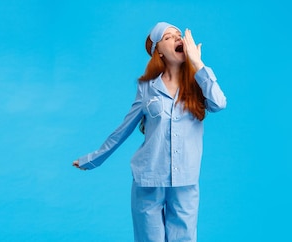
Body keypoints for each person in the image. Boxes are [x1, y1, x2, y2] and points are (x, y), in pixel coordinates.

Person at [72, 22, 226, 242]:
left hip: (185, 180)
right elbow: (123, 129)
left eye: (179, 35)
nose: (177, 39)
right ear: (159, 51)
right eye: (168, 37)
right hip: (148, 179)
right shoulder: (147, 88)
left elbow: (219, 104)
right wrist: (93, 159)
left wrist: (198, 63)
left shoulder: (199, 82)